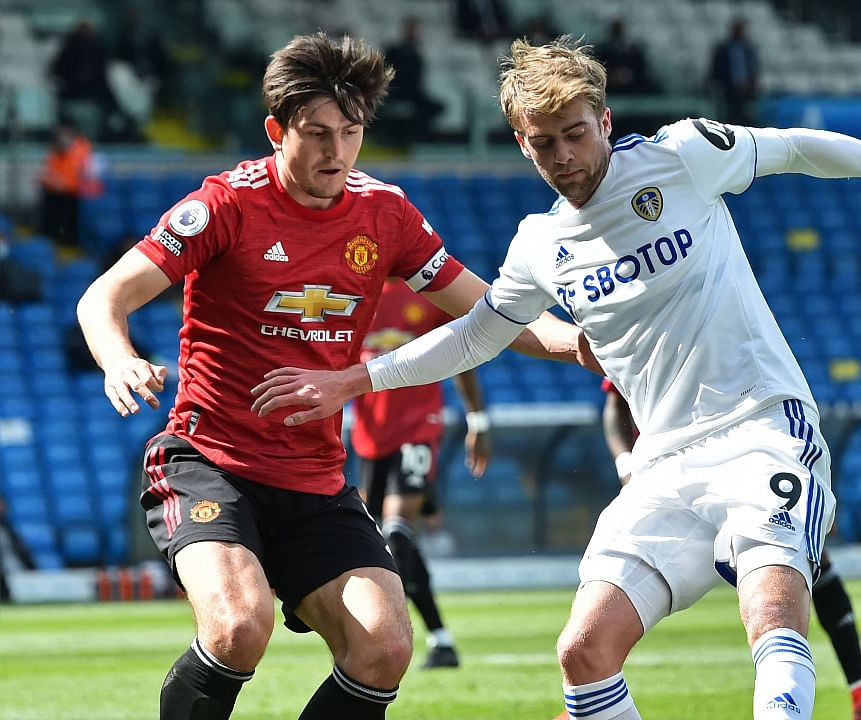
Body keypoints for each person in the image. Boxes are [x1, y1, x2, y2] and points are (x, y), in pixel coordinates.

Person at [248, 35, 861, 720]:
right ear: (521, 145)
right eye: (543, 143)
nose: (564, 156)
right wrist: (355, 381)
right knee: (583, 651)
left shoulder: (683, 155)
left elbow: (795, 146)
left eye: (576, 134)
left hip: (760, 424)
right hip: (664, 462)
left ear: (605, 122)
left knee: (770, 610)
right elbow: (475, 336)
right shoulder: (539, 247)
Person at [75, 32, 590, 720]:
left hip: (315, 479)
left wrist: (573, 342)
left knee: (383, 647)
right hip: (209, 461)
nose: (335, 152)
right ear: (275, 130)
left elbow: (490, 310)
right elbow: (103, 297)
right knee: (238, 627)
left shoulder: (386, 214)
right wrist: (120, 359)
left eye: (349, 134)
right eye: (316, 133)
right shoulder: (225, 206)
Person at [590, 380, 861, 720]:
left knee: (801, 559)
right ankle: (595, 695)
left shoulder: (733, 336)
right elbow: (615, 399)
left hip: (740, 461)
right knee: (618, 584)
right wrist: (626, 465)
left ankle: (860, 688)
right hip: (664, 476)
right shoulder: (645, 332)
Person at [352, 280, 493, 670]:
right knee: (377, 540)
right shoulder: (354, 293)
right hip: (370, 439)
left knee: (396, 533)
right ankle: (441, 641)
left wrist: (477, 420)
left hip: (417, 428)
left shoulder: (427, 295)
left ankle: (406, 635)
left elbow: (464, 352)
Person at [38, 121, 102, 249]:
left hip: (79, 195)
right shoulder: (56, 151)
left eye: (65, 135)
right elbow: (47, 175)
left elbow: (80, 179)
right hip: (58, 194)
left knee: (67, 204)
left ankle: (71, 244)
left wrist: (62, 183)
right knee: (50, 200)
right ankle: (51, 242)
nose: (62, 139)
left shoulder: (82, 149)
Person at [380, 17, 444, 145]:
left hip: (413, 92)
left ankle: (419, 137)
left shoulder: (417, 53)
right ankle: (399, 138)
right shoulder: (394, 50)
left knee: (434, 107)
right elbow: (387, 74)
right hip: (395, 91)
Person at [709, 18, 760, 126]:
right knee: (730, 117)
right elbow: (716, 69)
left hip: (746, 90)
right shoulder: (723, 48)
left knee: (746, 117)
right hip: (729, 89)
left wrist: (752, 83)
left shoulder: (748, 48)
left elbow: (753, 68)